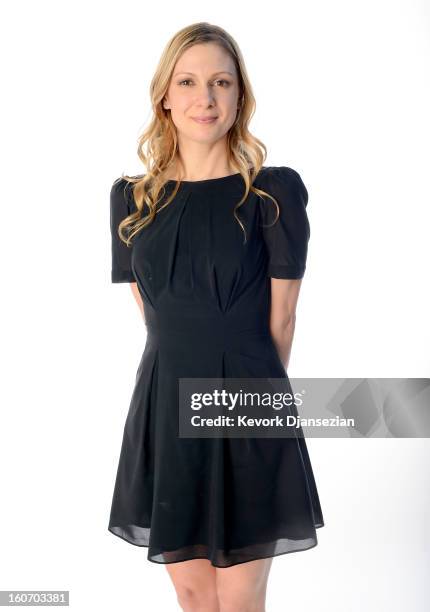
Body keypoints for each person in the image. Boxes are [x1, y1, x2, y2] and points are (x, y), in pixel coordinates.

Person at [108, 21, 324, 612]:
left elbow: (282, 320)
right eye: (189, 82)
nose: (205, 98)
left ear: (239, 96)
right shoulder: (131, 198)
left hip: (250, 399)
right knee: (194, 591)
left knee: (241, 591)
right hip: (164, 400)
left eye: (221, 82)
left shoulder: (273, 194)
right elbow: (155, 316)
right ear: (166, 97)